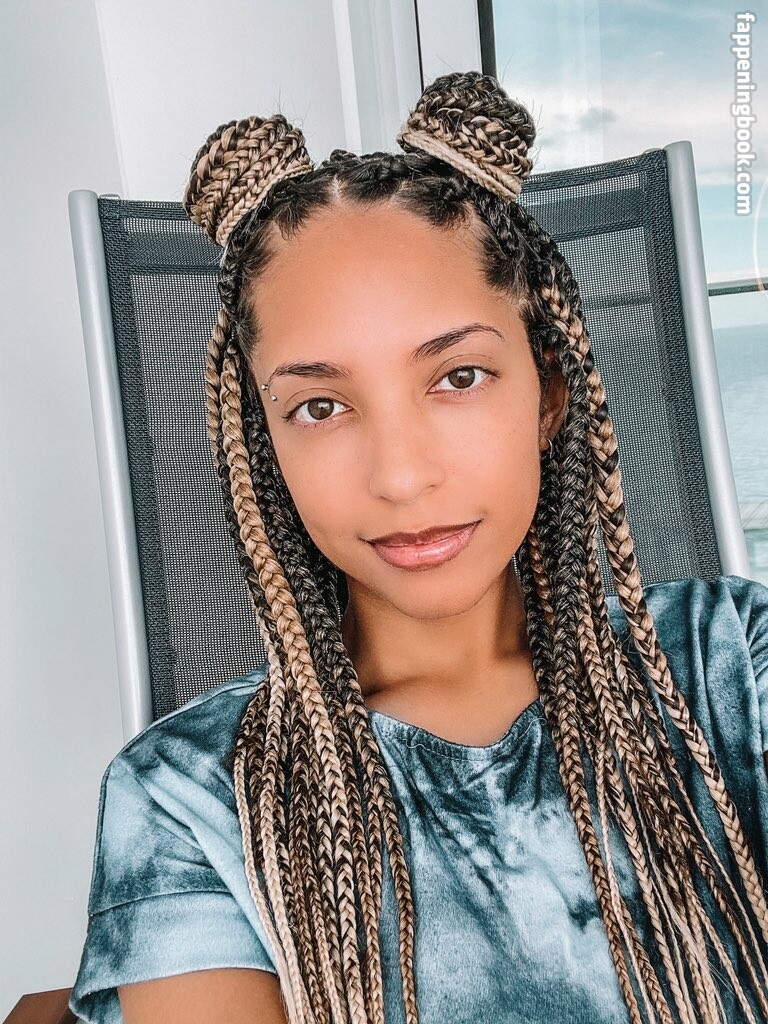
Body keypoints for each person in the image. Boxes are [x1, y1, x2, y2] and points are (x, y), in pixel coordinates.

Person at [69, 70, 768, 1024]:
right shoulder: (185, 799)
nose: (401, 476)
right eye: (320, 406)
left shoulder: (735, 667)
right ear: (264, 448)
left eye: (459, 376)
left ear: (549, 396)